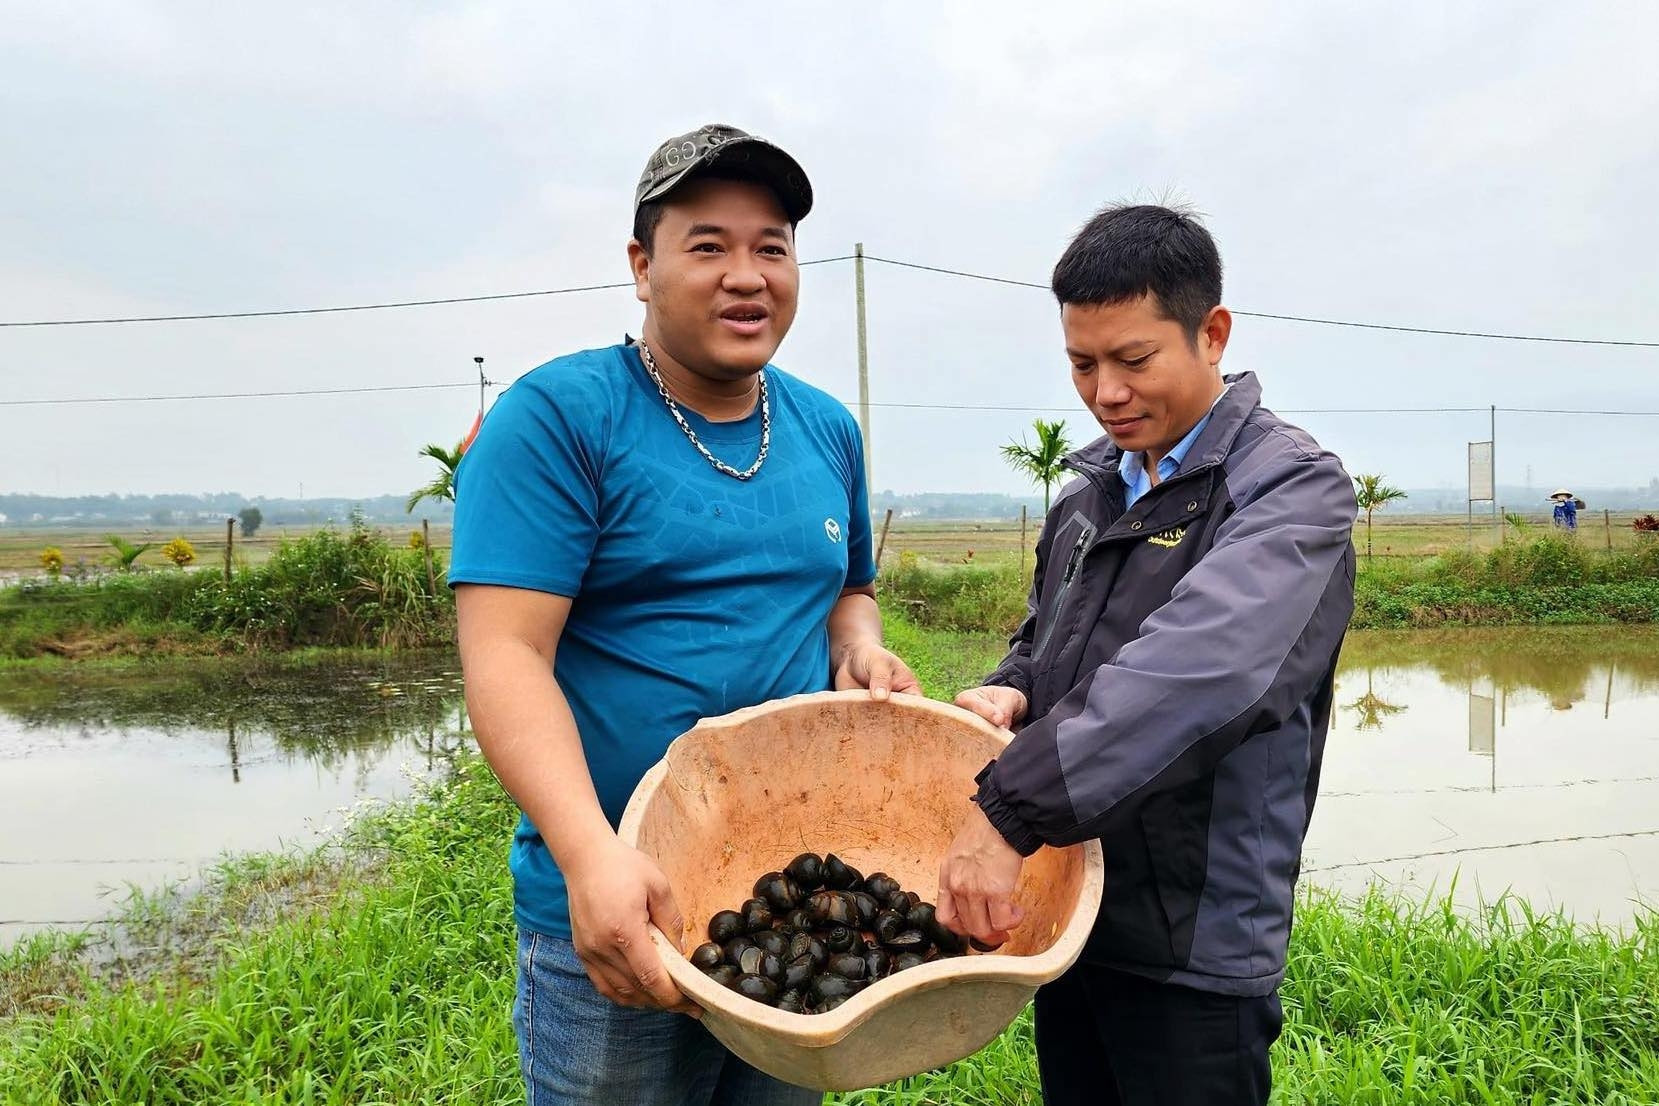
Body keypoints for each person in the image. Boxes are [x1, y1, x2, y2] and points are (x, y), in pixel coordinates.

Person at [449, 123, 918, 1106]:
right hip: (620, 894)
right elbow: (505, 654)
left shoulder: (827, 428)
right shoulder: (558, 418)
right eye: (708, 246)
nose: (746, 275)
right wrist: (591, 856)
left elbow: (847, 589)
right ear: (641, 266)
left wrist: (859, 646)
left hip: (786, 898)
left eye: (771, 247)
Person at [936, 204, 1357, 1106]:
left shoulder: (1287, 489)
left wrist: (1007, 810)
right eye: (1082, 364)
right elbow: (1047, 636)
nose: (1107, 393)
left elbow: (1201, 672)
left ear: (1212, 334)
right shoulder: (1089, 492)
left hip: (1191, 938)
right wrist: (1012, 687)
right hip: (1070, 903)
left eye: (1134, 360)